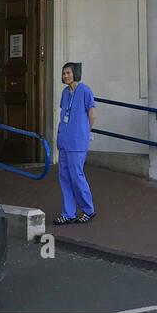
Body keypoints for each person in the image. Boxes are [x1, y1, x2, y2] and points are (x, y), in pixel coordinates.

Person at [53, 61, 95, 225]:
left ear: (75, 73)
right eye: (64, 73)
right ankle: (68, 213)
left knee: (77, 176)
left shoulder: (85, 90)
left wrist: (85, 131)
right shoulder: (65, 92)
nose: (66, 76)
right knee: (64, 177)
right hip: (64, 141)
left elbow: (92, 113)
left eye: (68, 73)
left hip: (77, 142)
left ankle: (88, 210)